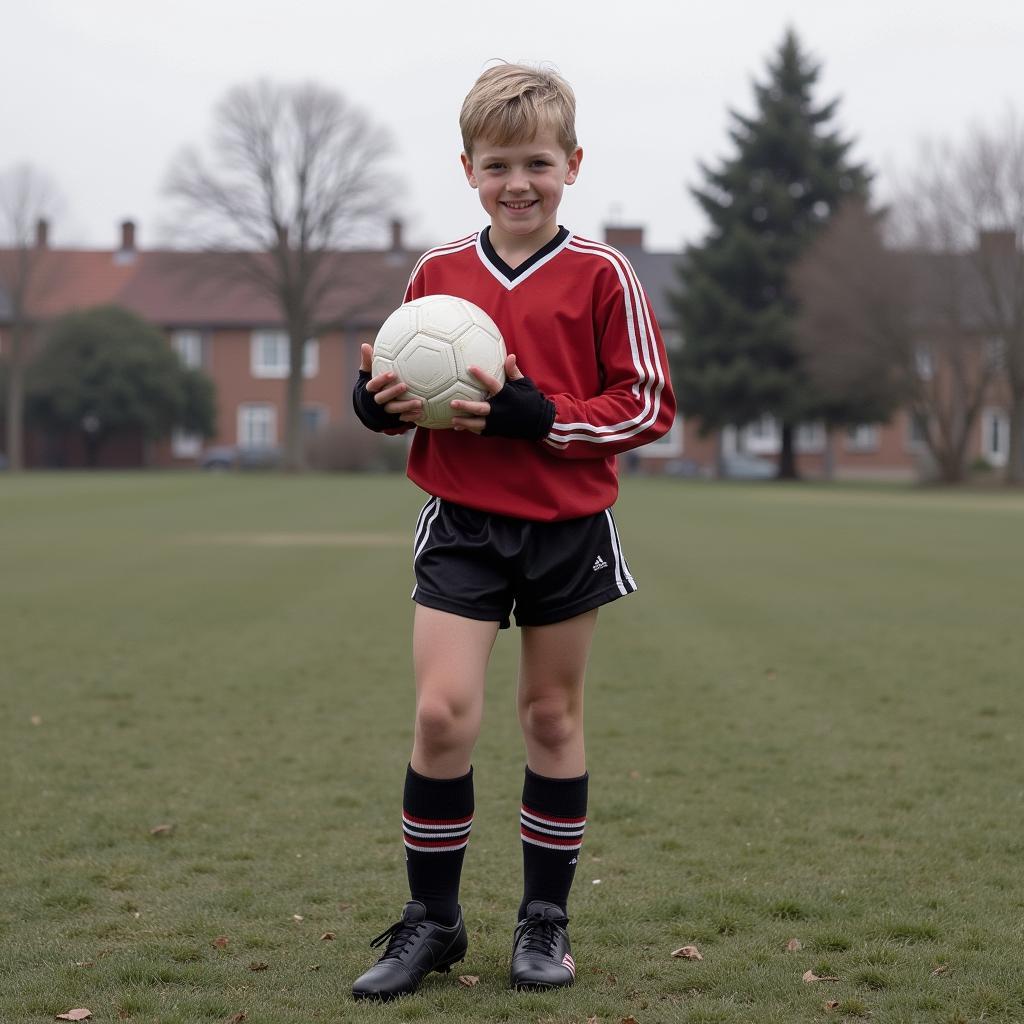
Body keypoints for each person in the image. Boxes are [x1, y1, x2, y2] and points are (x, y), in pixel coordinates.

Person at [349, 62, 676, 1001]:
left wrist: (546, 417)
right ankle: (434, 922)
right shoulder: (436, 273)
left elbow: (648, 405)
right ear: (468, 169)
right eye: (498, 164)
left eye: (537, 161)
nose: (518, 182)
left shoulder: (604, 273)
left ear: (573, 164)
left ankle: (545, 922)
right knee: (442, 714)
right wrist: (378, 407)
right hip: (462, 524)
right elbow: (402, 386)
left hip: (569, 529)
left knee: (549, 717)